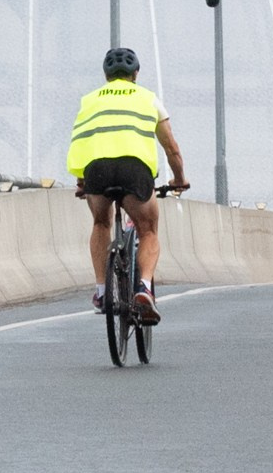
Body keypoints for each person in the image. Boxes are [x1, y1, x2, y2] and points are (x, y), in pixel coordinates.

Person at [65, 47, 187, 323]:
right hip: (135, 170)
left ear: (106, 76)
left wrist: (83, 180)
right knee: (148, 230)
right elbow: (172, 149)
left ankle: (101, 291)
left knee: (100, 224)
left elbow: (80, 141)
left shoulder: (89, 101)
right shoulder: (148, 99)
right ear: (136, 74)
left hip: (97, 171)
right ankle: (143, 288)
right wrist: (179, 179)